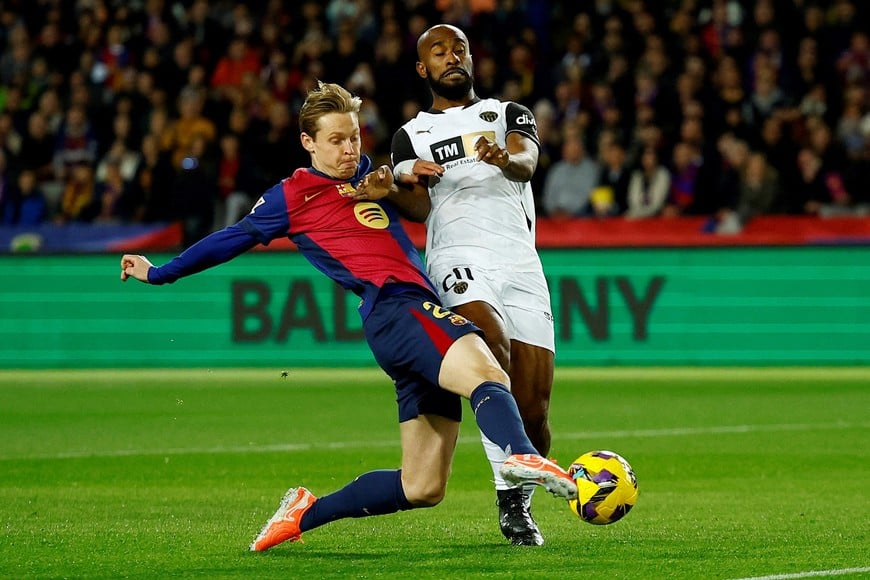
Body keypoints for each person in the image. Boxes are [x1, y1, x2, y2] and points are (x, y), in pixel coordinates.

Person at [119, 82, 576, 552]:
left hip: (404, 319)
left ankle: (303, 513)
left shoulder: (364, 174)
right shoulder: (291, 196)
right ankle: (521, 457)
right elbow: (230, 238)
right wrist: (161, 273)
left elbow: (421, 208)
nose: (348, 149)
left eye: (353, 137)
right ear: (308, 142)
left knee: (422, 487)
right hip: (397, 307)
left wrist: (394, 188)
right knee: (488, 371)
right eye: (336, 140)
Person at [389, 24, 557, 546]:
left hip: (520, 261)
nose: (450, 57)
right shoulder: (409, 135)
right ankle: (510, 492)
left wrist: (505, 157)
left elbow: (528, 161)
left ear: (471, 59)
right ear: (423, 69)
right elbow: (416, 208)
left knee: (534, 409)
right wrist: (404, 181)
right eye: (438, 52)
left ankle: (513, 499)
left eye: (458, 48)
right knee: (488, 341)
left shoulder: (508, 113)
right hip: (456, 256)